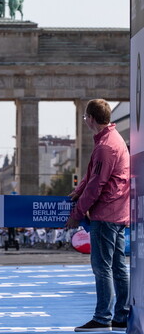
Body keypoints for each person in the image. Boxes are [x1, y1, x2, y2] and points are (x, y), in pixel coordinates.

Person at [66, 99, 130, 333]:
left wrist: (77, 212)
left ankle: (103, 317)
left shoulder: (105, 146)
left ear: (91, 118)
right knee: (118, 267)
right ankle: (122, 314)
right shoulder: (111, 140)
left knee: (101, 267)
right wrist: (79, 189)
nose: (84, 120)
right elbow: (92, 176)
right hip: (118, 212)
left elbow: (97, 183)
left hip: (106, 213)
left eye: (85, 117)